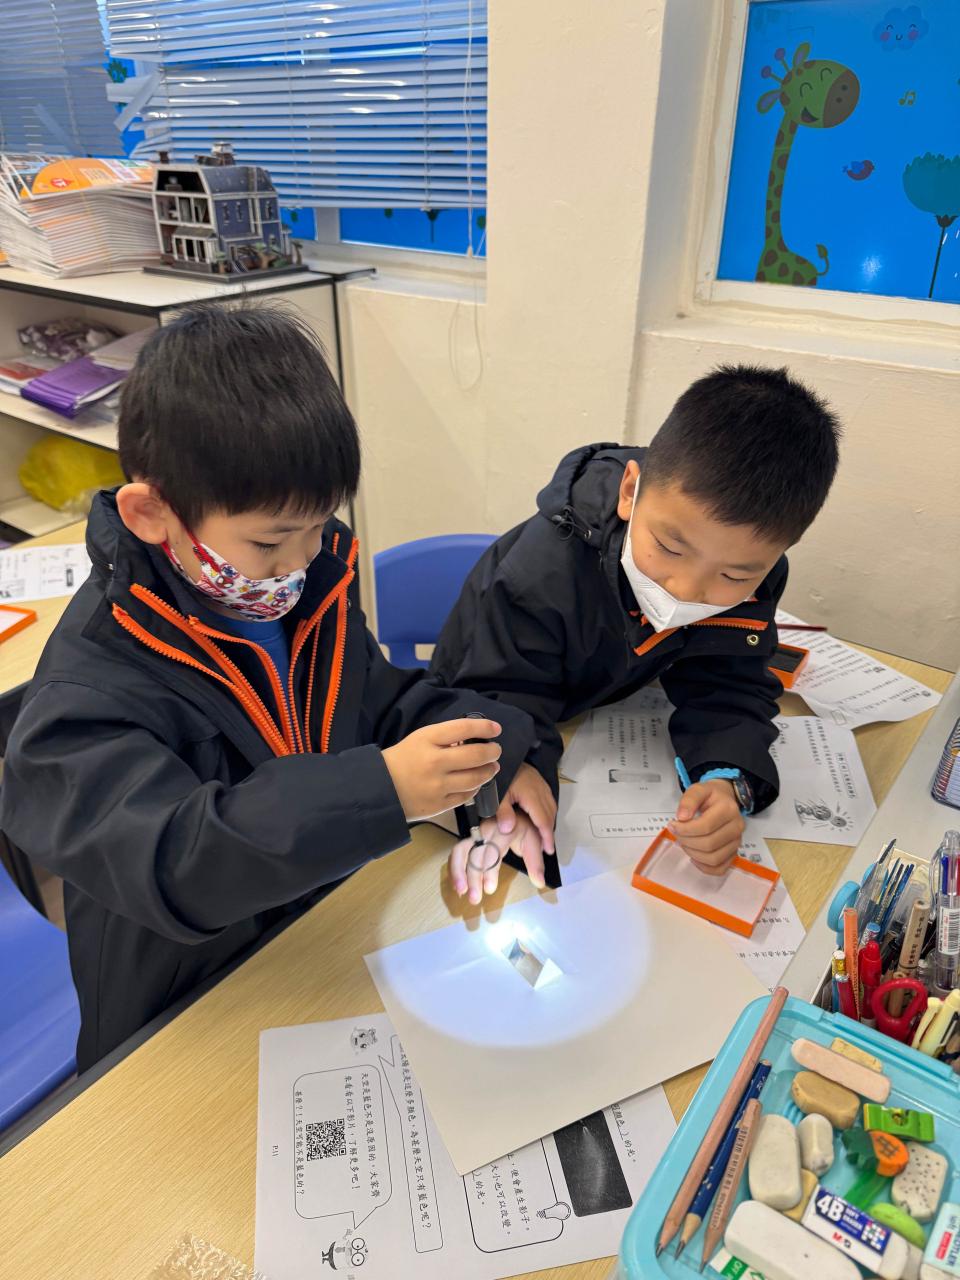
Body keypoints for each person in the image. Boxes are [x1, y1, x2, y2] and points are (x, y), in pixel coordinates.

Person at [0, 304, 553, 1070]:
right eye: (269, 540)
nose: (299, 562)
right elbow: (176, 862)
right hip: (182, 998)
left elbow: (379, 702)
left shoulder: (303, 591)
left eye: (319, 526)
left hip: (314, 935)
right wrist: (378, 792)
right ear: (152, 513)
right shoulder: (89, 690)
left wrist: (501, 751)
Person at [433, 364, 841, 881]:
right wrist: (518, 761)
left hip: (594, 714)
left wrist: (726, 778)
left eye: (734, 574)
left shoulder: (753, 583)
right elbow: (497, 688)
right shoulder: (541, 571)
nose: (686, 589)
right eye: (669, 546)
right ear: (630, 491)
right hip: (487, 699)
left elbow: (728, 681)